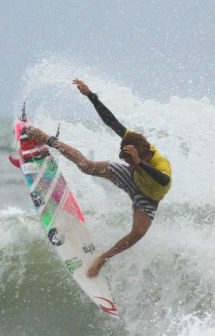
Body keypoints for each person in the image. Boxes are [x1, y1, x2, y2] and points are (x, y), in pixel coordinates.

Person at [27, 79, 172, 277]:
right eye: (128, 162)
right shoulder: (133, 141)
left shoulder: (162, 165)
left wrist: (139, 165)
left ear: (145, 155)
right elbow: (111, 121)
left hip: (149, 197)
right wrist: (90, 96)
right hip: (132, 178)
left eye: (132, 162)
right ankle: (47, 139)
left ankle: (102, 258)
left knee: (137, 233)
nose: (130, 165)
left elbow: (164, 181)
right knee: (88, 166)